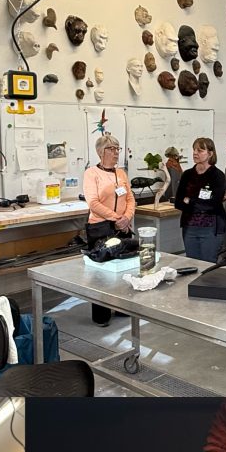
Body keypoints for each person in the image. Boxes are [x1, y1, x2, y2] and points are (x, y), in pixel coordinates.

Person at [83, 133, 136, 326]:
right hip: (100, 227)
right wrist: (116, 218)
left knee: (124, 267)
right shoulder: (91, 174)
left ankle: (122, 307)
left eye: (117, 149)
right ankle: (101, 314)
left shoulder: (121, 173)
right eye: (111, 149)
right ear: (100, 152)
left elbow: (130, 198)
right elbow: (93, 202)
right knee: (101, 273)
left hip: (122, 226)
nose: (116, 153)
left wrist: (126, 217)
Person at [174, 137, 226, 262]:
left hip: (211, 229)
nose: (195, 153)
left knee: (208, 265)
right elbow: (178, 202)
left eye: (200, 150)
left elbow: (214, 204)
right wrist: (197, 203)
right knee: (192, 263)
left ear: (210, 154)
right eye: (194, 150)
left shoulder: (217, 176)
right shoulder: (187, 175)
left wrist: (190, 201)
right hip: (189, 227)